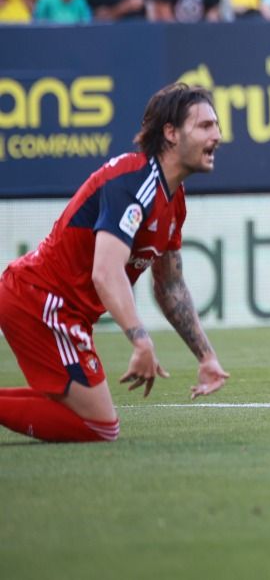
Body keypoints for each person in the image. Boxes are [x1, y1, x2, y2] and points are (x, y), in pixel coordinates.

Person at [0, 84, 229, 443]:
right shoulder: (134, 180)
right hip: (41, 302)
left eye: (216, 126)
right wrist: (140, 340)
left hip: (59, 309)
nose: (217, 135)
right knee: (100, 426)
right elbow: (106, 272)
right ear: (171, 133)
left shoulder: (173, 199)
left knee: (88, 420)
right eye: (205, 126)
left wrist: (206, 357)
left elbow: (169, 285)